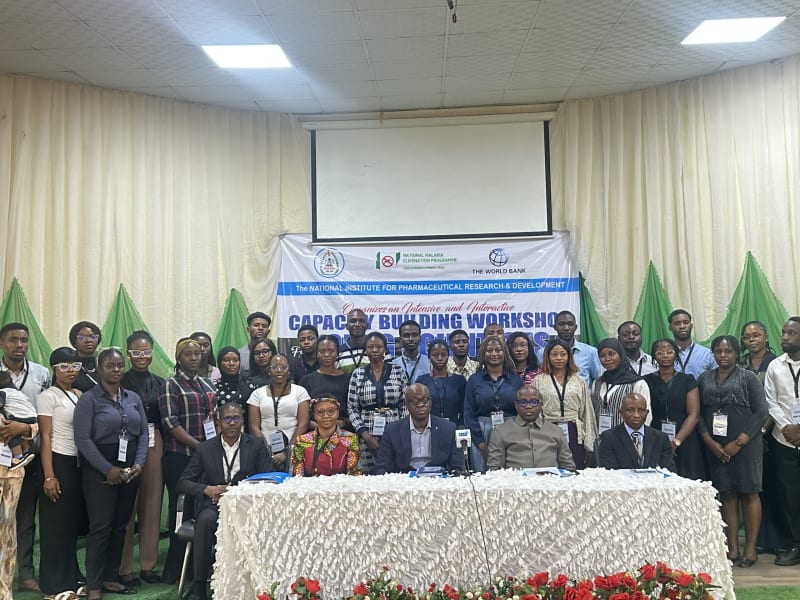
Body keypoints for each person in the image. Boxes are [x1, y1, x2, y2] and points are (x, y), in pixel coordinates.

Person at [177, 402, 272, 600]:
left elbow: (269, 479)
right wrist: (206, 489)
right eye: (227, 419)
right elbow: (183, 482)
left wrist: (239, 491)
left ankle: (260, 583)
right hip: (215, 505)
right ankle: (200, 586)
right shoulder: (205, 448)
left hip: (247, 507)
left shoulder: (255, 445)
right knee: (204, 522)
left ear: (242, 421)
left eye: (236, 418)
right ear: (218, 422)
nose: (232, 423)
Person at [74, 347, 148, 599]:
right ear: (100, 368)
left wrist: (139, 463)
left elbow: (144, 433)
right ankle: (94, 585)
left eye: (119, 366)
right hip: (99, 469)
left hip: (130, 467)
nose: (116, 370)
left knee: (120, 526)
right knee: (101, 527)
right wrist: (108, 469)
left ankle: (111, 577)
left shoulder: (133, 397)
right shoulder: (89, 399)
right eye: (110, 366)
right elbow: (83, 440)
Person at [697, 335, 768, 568]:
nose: (723, 356)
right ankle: (733, 548)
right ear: (713, 354)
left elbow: (761, 413)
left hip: (746, 445)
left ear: (737, 353)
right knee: (726, 494)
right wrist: (710, 442)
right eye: (718, 351)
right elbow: (697, 414)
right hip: (716, 446)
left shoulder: (748, 377)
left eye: (728, 351)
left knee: (749, 493)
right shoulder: (704, 378)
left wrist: (739, 442)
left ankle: (750, 549)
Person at [158, 338, 218, 585]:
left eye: (198, 353)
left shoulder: (206, 383)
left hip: (204, 456)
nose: (194, 357)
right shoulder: (170, 384)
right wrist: (199, 446)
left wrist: (209, 449)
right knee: (180, 511)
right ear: (178, 357)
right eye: (188, 354)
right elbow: (171, 423)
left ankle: (198, 567)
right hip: (179, 456)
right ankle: (174, 570)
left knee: (201, 510)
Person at [0, 322, 50, 594]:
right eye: (13, 340)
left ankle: (26, 573)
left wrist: (23, 429)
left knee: (26, 518)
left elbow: (46, 415)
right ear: (2, 344)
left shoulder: (41, 374)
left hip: (28, 457)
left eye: (23, 340)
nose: (19, 345)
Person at [37, 348, 86, 599]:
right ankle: (53, 586)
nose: (70, 371)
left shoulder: (79, 394)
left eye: (75, 365)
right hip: (56, 461)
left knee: (69, 527)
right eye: (64, 366)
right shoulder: (48, 396)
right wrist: (49, 475)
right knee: (54, 527)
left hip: (77, 465)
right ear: (54, 368)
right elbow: (45, 436)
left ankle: (72, 577)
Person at [119, 331, 166, 586]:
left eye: (146, 352)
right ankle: (124, 568)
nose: (141, 357)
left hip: (153, 441)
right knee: (127, 504)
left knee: (152, 502)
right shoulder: (119, 379)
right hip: (124, 441)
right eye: (136, 352)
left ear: (152, 353)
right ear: (128, 353)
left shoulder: (161, 382)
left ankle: (147, 565)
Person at [739, 321, 783, 556]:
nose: (752, 340)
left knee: (772, 487)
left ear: (766, 337)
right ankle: (756, 539)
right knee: (752, 488)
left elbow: (778, 401)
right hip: (745, 433)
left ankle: (775, 538)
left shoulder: (776, 364)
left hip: (772, 431)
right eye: (747, 337)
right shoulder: (740, 363)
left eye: (756, 335)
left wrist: (764, 431)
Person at [764, 317, 800, 566]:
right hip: (784, 439)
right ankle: (793, 545)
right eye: (784, 332)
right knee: (789, 497)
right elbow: (771, 400)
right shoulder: (775, 366)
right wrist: (788, 427)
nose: (785, 337)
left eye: (792, 333)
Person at [643, 339, 705, 480]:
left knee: (687, 484)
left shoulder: (687, 380)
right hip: (655, 440)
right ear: (654, 357)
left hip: (686, 440)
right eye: (660, 353)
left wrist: (676, 441)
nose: (665, 355)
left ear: (676, 355)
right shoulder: (645, 381)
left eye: (669, 352)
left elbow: (694, 415)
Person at [347, 332, 408, 474]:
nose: (374, 350)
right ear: (365, 350)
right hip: (366, 433)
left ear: (385, 349)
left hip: (395, 431)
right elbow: (352, 407)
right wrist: (365, 435)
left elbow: (405, 403)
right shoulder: (358, 374)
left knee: (394, 474)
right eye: (370, 347)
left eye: (378, 347)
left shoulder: (398, 371)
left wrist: (400, 430)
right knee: (369, 476)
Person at [532, 338, 596, 469]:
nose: (559, 358)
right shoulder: (538, 381)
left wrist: (589, 443)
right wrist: (537, 436)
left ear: (569, 356)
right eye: (554, 354)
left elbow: (587, 412)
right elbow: (536, 413)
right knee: (550, 471)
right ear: (547, 357)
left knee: (575, 470)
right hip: (548, 430)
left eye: (563, 354)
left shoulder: (579, 381)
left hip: (575, 431)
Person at [463, 335, 523, 473]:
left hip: (511, 431)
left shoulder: (515, 380)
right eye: (489, 350)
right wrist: (481, 444)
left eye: (498, 350)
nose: (494, 354)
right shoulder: (474, 380)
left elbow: (522, 410)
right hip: (482, 432)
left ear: (505, 353)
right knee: (484, 477)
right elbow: (468, 413)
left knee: (511, 474)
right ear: (483, 354)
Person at [374, 383, 460, 474]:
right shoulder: (392, 430)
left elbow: (457, 468)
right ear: (406, 404)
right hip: (403, 481)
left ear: (430, 402)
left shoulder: (448, 428)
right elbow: (382, 467)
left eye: (425, 400)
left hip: (438, 480)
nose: (420, 405)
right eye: (415, 401)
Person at [247, 354, 310, 472]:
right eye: (274, 367)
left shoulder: (300, 392)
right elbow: (253, 426)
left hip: (294, 447)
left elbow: (304, 424)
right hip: (263, 450)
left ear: (289, 370)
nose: (279, 370)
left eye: (283, 367)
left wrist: (287, 451)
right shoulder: (257, 394)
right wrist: (266, 451)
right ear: (269, 370)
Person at [487, 386, 576, 471]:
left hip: (550, 484)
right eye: (523, 402)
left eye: (534, 402)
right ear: (516, 405)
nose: (528, 406)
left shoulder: (556, 431)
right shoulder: (501, 431)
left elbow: (568, 466)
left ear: (541, 405)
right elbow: (494, 468)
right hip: (515, 484)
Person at [0, 403, 37, 600]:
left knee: (7, 539)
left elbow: (35, 424)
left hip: (10, 476)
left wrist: (21, 427)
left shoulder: (10, 397)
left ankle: (4, 595)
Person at [591, 338, 651, 443]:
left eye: (611, 354)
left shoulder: (637, 383)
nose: (607, 359)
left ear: (621, 354)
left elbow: (646, 416)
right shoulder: (597, 383)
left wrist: (637, 440)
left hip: (627, 441)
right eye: (602, 356)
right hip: (601, 441)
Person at [597, 393, 674, 470]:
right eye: (630, 410)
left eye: (641, 410)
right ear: (621, 413)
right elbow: (609, 472)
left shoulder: (661, 438)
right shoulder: (609, 438)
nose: (636, 415)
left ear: (647, 413)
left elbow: (669, 471)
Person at [291, 396, 360, 476]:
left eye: (331, 411)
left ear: (338, 413)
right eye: (320, 412)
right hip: (310, 487)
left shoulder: (350, 438)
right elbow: (297, 476)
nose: (326, 416)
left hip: (341, 487)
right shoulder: (301, 440)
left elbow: (355, 474)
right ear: (314, 415)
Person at [536, 310, 601, 389]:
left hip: (581, 400)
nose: (566, 328)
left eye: (570, 324)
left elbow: (598, 380)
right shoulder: (542, 353)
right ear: (555, 327)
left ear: (575, 327)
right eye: (561, 324)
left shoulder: (590, 352)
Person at [299, 335, 351, 430]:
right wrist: (320, 426)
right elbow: (303, 414)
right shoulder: (307, 380)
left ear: (338, 353)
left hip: (343, 431)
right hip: (314, 432)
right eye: (322, 351)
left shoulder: (348, 379)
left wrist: (343, 423)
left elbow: (352, 409)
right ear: (317, 354)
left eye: (331, 351)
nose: (326, 355)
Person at [416, 339, 466, 426]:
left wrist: (461, 428)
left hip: (454, 427)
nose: (439, 358)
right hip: (429, 428)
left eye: (443, 355)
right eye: (435, 355)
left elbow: (464, 409)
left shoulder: (459, 381)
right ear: (429, 357)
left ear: (448, 356)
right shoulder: (422, 381)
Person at [215, 346, 258, 432]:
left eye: (235, 360)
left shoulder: (249, 385)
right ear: (220, 363)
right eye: (226, 360)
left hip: (248, 435)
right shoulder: (215, 388)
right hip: (223, 435)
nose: (231, 363)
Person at [0, 372, 36, 469]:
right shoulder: (18, 393)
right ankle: (26, 451)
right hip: (31, 416)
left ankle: (18, 457)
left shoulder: (2, 392)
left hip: (17, 418)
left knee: (9, 431)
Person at [668, 309, 716, 379]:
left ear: (691, 325)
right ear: (670, 327)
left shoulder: (707, 354)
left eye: (686, 322)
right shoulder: (664, 355)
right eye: (677, 323)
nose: (682, 326)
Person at [392, 320, 431, 384]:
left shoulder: (430, 364)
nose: (411, 339)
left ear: (420, 338)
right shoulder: (392, 365)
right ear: (400, 339)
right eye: (406, 335)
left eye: (415, 335)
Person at [69, 320, 102, 393]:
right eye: (81, 337)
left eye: (93, 337)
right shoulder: (68, 364)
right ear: (74, 342)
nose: (88, 340)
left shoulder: (104, 362)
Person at [239, 312, 272, 377]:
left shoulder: (274, 354)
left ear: (268, 331)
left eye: (264, 326)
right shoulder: (239, 355)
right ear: (248, 329)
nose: (260, 328)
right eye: (256, 325)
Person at [338, 309, 369, 376]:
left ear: (367, 325)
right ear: (346, 326)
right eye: (353, 321)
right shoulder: (338, 352)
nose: (357, 324)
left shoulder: (378, 350)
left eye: (361, 321)